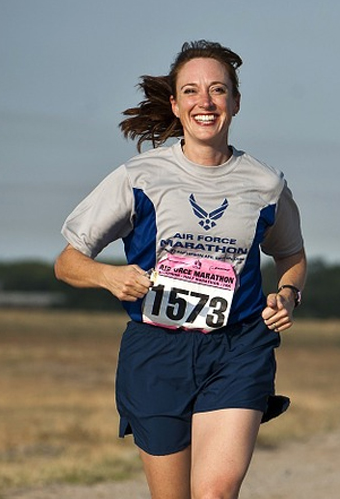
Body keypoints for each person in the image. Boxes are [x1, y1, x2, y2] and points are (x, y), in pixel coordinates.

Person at [54, 40, 307, 499]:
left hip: (238, 348)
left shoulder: (265, 184)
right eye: (191, 91)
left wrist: (288, 295)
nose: (204, 102)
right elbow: (68, 262)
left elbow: (291, 255)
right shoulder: (139, 177)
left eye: (217, 90)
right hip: (157, 352)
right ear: (175, 103)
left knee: (214, 493)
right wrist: (111, 277)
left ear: (235, 102)